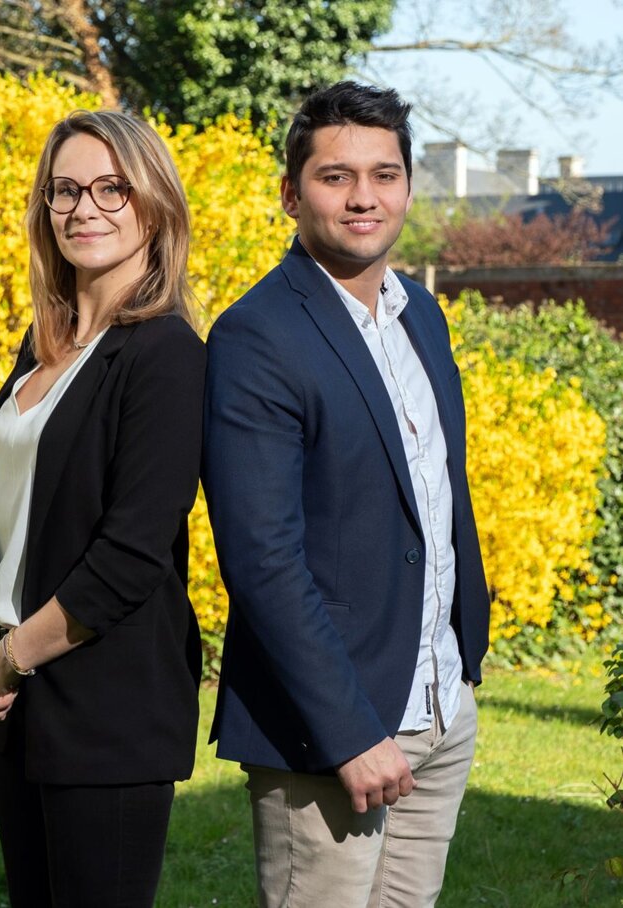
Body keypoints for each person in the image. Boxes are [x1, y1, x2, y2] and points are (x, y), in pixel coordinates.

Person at [202, 81, 490, 907]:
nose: (364, 196)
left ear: (407, 185)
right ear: (291, 194)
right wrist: (349, 731)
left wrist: (460, 666)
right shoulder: (257, 335)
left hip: (438, 704)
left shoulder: (419, 316)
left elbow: (433, 496)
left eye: (385, 173)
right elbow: (261, 559)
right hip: (331, 734)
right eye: (336, 176)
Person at [0, 109, 205, 908]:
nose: (84, 208)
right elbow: (10, 526)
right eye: (64, 191)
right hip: (16, 701)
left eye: (110, 188)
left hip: (106, 706)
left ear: (153, 203)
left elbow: (130, 558)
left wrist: (7, 656)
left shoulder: (164, 354)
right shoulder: (44, 347)